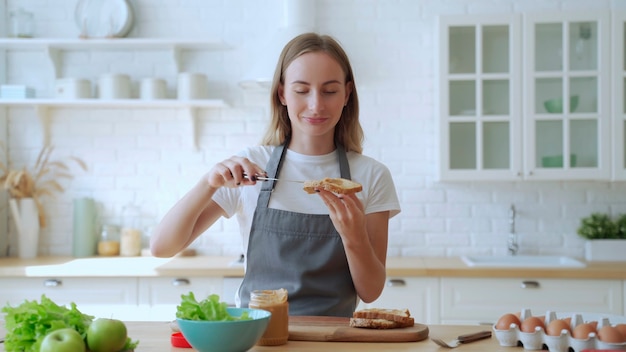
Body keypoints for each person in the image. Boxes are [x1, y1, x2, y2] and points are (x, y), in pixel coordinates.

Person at [151, 32, 401, 317]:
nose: (316, 105)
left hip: (334, 340)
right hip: (256, 336)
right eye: (301, 90)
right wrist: (207, 184)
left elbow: (371, 292)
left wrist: (353, 237)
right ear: (282, 93)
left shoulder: (371, 176)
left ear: (347, 94)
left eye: (330, 91)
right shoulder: (252, 168)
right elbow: (162, 247)